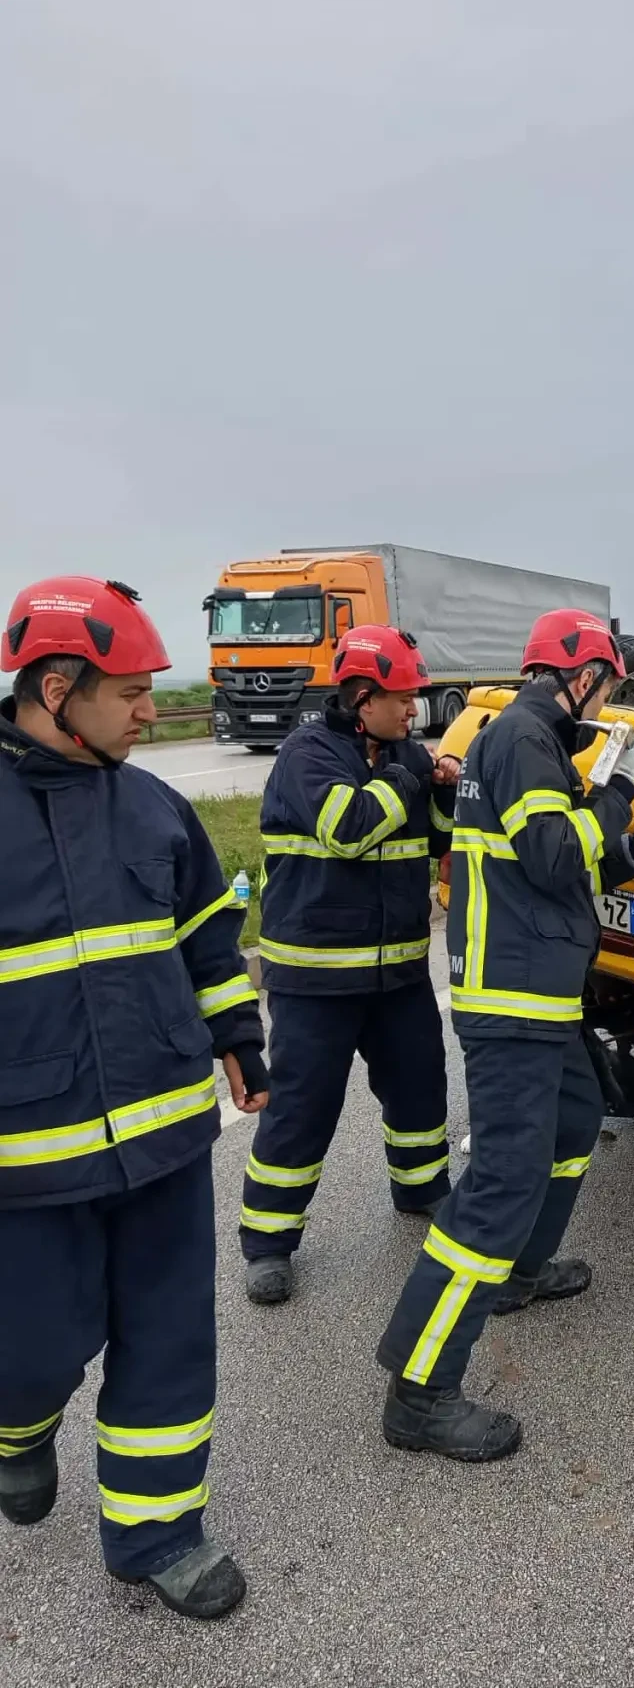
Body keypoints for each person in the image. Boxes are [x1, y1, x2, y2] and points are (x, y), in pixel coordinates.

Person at [0, 576, 267, 1620]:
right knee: (32, 1351)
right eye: (131, 693)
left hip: (162, 1137)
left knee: (168, 1342)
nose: (154, 711)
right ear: (57, 687)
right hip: (25, 1162)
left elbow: (207, 937)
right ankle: (18, 1425)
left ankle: (158, 1535)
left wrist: (237, 1037)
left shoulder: (153, 808)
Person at [377, 609, 634, 1461]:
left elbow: (576, 857)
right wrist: (617, 788)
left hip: (541, 992)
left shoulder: (535, 744)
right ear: (580, 677)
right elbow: (552, 854)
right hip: (512, 1002)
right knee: (501, 1183)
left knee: (576, 1122)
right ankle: (420, 1390)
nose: (607, 702)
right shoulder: (521, 738)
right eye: (607, 687)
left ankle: (520, 1271)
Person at [240, 624, 458, 1306]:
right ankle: (269, 1241)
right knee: (303, 1108)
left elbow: (435, 841)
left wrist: (443, 791)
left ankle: (421, 1188)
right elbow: (350, 828)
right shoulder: (307, 756)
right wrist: (412, 772)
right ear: (363, 697)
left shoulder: (402, 754)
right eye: (403, 698)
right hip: (316, 981)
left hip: (396, 975)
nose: (414, 710)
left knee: (421, 1087)